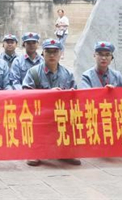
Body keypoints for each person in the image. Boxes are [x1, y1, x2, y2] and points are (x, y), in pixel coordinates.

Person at [22, 39, 79, 167]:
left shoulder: (67, 74)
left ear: (61, 54)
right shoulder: (33, 72)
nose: (52, 55)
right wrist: (48, 94)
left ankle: (66, 151)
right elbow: (26, 95)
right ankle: (34, 151)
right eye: (48, 52)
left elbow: (75, 96)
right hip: (40, 112)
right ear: (43, 53)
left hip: (60, 112)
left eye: (55, 52)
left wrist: (70, 95)